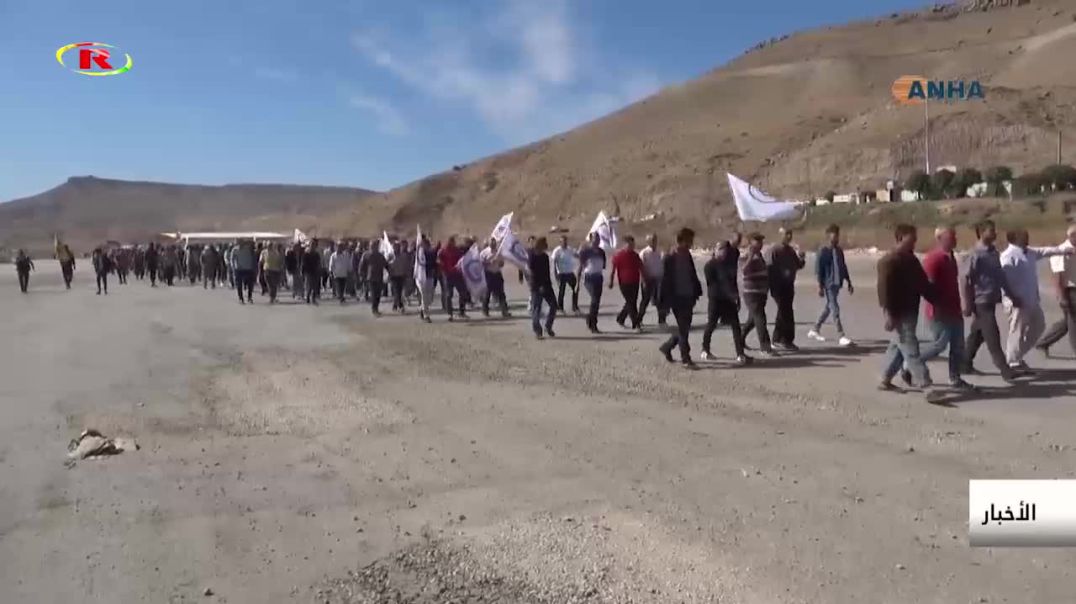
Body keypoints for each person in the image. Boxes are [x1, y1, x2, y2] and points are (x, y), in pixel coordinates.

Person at [877, 224, 940, 402]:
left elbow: (923, 285)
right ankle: (925, 385)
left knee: (898, 346)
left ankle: (885, 378)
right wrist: (887, 314)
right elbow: (883, 290)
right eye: (910, 237)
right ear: (900, 238)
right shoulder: (888, 261)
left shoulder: (911, 260)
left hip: (911, 310)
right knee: (910, 348)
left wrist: (938, 299)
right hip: (897, 312)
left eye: (915, 237)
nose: (914, 240)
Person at [999, 229, 1070, 369]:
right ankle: (1013, 362)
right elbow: (1004, 281)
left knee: (1039, 326)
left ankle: (1015, 356)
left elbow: (1046, 251)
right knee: (1017, 331)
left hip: (1031, 299)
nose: (1027, 238)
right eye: (1024, 236)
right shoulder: (1007, 256)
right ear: (1015, 238)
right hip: (1017, 302)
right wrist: (1013, 298)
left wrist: (1065, 250)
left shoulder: (1029, 252)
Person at [962, 220, 1020, 382]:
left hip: (991, 299)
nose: (994, 233)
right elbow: (965, 279)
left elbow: (1001, 277)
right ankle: (1004, 369)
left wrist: (1011, 295)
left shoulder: (993, 253)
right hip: (981, 302)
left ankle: (964, 363)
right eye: (990, 230)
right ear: (981, 233)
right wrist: (966, 304)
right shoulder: (975, 254)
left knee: (978, 334)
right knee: (992, 334)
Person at [920, 227, 975, 390]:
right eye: (951, 237)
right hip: (939, 311)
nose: (955, 239)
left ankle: (955, 378)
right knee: (939, 345)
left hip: (954, 309)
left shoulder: (951, 257)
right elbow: (926, 287)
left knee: (958, 346)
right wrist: (937, 307)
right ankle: (912, 362)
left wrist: (963, 304)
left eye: (954, 236)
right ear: (940, 239)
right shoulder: (933, 259)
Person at [659, 228, 703, 367]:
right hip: (676, 297)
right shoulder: (669, 257)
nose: (691, 243)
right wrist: (662, 303)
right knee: (684, 328)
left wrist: (697, 291)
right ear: (681, 240)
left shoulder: (687, 255)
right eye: (689, 240)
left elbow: (692, 274)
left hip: (689, 296)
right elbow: (664, 281)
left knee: (684, 328)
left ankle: (667, 347)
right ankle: (686, 357)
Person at [702, 241, 750, 365]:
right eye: (721, 249)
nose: (723, 252)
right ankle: (705, 349)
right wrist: (727, 293)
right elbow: (713, 285)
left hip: (729, 300)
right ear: (716, 250)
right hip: (716, 299)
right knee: (711, 324)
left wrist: (736, 296)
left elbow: (732, 281)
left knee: (736, 326)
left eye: (725, 250)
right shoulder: (710, 265)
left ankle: (740, 353)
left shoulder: (728, 265)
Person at [808, 224, 854, 346]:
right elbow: (818, 269)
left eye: (838, 235)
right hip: (828, 283)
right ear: (829, 236)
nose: (837, 237)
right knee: (835, 308)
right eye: (834, 235)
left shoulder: (839, 251)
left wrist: (849, 282)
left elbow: (843, 266)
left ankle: (815, 328)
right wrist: (819, 286)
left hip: (837, 283)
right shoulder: (823, 250)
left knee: (829, 307)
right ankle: (841, 335)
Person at [1037, 225, 1076, 358]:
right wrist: (1062, 297)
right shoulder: (1061, 251)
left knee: (1068, 322)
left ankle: (1043, 343)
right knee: (1073, 322)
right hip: (1069, 291)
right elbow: (1057, 276)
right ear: (1071, 236)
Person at [767, 227, 806, 350]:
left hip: (789, 286)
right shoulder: (774, 250)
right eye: (786, 234)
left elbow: (798, 265)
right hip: (778, 286)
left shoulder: (790, 251)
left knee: (784, 312)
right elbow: (768, 267)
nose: (789, 237)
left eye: (790, 234)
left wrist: (801, 258)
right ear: (780, 235)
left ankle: (778, 339)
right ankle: (785, 340)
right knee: (785, 312)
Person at [740, 232, 774, 357]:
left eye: (761, 241)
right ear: (750, 242)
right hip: (751, 293)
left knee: (752, 320)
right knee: (760, 319)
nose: (760, 243)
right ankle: (765, 346)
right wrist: (751, 256)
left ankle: (739, 339)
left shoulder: (760, 255)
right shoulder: (747, 254)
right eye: (757, 241)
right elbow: (744, 270)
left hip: (761, 293)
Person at [609, 235, 644, 331]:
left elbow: (641, 267)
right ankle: (636, 324)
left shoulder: (635, 255)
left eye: (633, 244)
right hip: (624, 282)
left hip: (635, 281)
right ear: (625, 244)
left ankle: (621, 318)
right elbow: (613, 269)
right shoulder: (618, 255)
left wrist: (644, 279)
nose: (632, 246)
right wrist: (611, 281)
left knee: (631, 302)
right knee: (631, 302)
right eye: (630, 244)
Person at [528, 237, 557, 339]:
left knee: (554, 305)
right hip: (536, 286)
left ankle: (548, 326)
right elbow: (533, 273)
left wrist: (548, 285)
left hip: (546, 285)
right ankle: (537, 331)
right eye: (544, 244)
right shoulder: (532, 257)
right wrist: (539, 286)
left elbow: (547, 273)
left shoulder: (545, 256)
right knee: (537, 308)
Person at [578, 233, 607, 333]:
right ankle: (593, 324)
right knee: (594, 300)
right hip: (589, 278)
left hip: (599, 277)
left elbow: (603, 266)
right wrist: (577, 283)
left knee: (596, 301)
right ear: (590, 240)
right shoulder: (585, 251)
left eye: (598, 239)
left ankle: (589, 318)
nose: (597, 241)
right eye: (595, 239)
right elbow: (581, 266)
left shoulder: (601, 252)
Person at [638, 234, 667, 326]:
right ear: (648, 241)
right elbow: (640, 266)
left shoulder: (659, 252)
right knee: (645, 300)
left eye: (655, 240)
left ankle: (662, 320)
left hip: (658, 279)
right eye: (652, 240)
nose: (654, 242)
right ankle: (639, 320)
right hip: (648, 279)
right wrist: (644, 279)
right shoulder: (644, 253)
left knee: (660, 300)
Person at [438, 235, 468, 321]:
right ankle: (449, 314)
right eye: (451, 241)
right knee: (448, 295)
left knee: (463, 293)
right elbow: (439, 261)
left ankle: (462, 312)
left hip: (458, 275)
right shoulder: (443, 251)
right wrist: (443, 269)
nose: (452, 243)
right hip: (448, 275)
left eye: (453, 241)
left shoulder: (457, 251)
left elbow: (463, 258)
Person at [480, 238, 510, 318]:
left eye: (494, 243)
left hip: (497, 273)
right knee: (487, 293)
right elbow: (481, 264)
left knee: (501, 293)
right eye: (491, 243)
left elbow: (502, 264)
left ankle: (504, 310)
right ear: (489, 244)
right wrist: (489, 262)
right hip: (489, 274)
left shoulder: (499, 252)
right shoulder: (484, 252)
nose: (493, 245)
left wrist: (500, 263)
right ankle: (485, 310)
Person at [552, 236, 580, 313]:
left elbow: (576, 255)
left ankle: (575, 306)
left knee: (576, 288)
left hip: (570, 272)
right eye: (562, 242)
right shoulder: (557, 251)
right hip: (561, 273)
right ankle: (560, 307)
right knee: (562, 291)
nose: (564, 243)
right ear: (560, 242)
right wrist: (555, 274)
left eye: (565, 241)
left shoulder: (569, 249)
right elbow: (554, 263)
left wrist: (581, 255)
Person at [361, 239, 388, 316]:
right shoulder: (366, 255)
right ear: (370, 246)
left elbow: (386, 265)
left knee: (378, 294)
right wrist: (362, 275)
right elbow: (362, 266)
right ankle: (374, 309)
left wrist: (390, 271)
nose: (374, 247)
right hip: (370, 278)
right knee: (373, 294)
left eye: (376, 246)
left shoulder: (380, 255)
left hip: (379, 277)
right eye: (372, 246)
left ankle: (376, 308)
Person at [416, 236, 437, 322]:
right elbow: (418, 261)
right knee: (424, 296)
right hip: (421, 277)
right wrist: (418, 248)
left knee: (429, 297)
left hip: (430, 276)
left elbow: (434, 262)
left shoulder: (431, 253)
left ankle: (422, 309)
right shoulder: (419, 253)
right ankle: (426, 315)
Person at [233, 239, 257, 304]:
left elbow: (254, 258)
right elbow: (232, 259)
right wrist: (234, 267)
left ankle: (249, 297)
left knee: (250, 284)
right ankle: (241, 298)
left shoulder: (249, 249)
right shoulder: (235, 250)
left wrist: (254, 268)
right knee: (239, 285)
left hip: (248, 268)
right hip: (239, 269)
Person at [388, 241, 410, 312]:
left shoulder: (403, 255)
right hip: (393, 276)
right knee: (397, 291)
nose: (396, 248)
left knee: (399, 292)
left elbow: (406, 265)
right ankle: (400, 306)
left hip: (401, 275)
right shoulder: (390, 256)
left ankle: (395, 305)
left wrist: (406, 273)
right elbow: (387, 265)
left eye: (397, 247)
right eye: (395, 247)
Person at [302, 240, 322, 305]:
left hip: (315, 271)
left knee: (315, 286)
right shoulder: (306, 254)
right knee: (309, 285)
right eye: (312, 245)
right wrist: (303, 272)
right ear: (310, 245)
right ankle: (308, 297)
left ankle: (313, 298)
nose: (313, 246)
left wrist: (319, 269)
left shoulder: (316, 254)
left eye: (314, 245)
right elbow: (304, 264)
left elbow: (319, 263)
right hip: (309, 272)